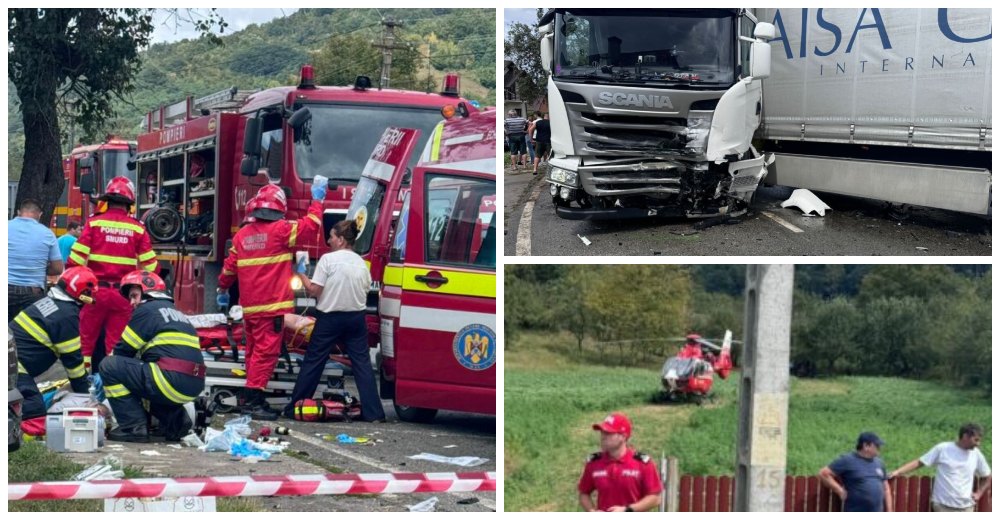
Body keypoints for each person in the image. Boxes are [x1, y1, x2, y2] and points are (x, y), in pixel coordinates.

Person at [217, 182, 324, 420]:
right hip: (272, 307)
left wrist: (222, 289)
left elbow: (228, 270)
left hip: (250, 309)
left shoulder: (241, 236)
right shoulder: (281, 230)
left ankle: (250, 397)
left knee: (253, 352)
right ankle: (253, 401)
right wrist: (317, 201)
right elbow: (311, 226)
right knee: (266, 354)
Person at [284, 221, 385, 422]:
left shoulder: (327, 260)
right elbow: (364, 290)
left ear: (340, 240)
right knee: (362, 365)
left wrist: (301, 272)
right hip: (356, 318)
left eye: (331, 236)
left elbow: (314, 290)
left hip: (330, 318)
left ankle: (297, 405)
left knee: (314, 361)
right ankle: (374, 413)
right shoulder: (361, 263)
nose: (328, 240)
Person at [100, 271, 205, 442]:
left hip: (168, 379)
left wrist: (102, 389)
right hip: (194, 384)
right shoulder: (178, 313)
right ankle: (177, 423)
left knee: (109, 366)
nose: (132, 302)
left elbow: (122, 351)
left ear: (147, 290)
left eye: (134, 295)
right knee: (148, 376)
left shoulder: (146, 309)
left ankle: (133, 428)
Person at [68, 177, 157, 371]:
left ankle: (82, 384)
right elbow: (151, 268)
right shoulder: (137, 228)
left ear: (107, 200)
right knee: (116, 344)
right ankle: (110, 382)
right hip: (123, 296)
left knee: (85, 342)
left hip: (94, 294)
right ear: (129, 204)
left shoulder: (93, 224)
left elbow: (74, 261)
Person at [10, 266, 97, 438]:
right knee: (33, 409)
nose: (92, 297)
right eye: (90, 293)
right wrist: (84, 393)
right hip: (13, 366)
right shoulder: (66, 315)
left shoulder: (51, 303)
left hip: (12, 362)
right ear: (83, 292)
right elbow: (72, 360)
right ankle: (26, 443)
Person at [888, 423, 991, 512]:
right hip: (943, 506)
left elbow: (988, 475)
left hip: (966, 507)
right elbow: (920, 462)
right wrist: (898, 472)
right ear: (965, 436)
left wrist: (979, 493)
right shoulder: (943, 448)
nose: (978, 444)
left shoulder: (976, 454)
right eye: (976, 440)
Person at [578, 412, 662, 512]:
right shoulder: (594, 463)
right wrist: (593, 512)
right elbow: (584, 493)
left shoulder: (642, 463)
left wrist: (627, 510)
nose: (603, 436)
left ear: (623, 436)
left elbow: (655, 498)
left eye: (608, 433)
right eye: (602, 432)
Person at [8, 199, 64, 321]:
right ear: (39, 214)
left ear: (19, 212)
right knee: (29, 334)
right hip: (32, 293)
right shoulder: (47, 234)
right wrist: (38, 269)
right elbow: (58, 268)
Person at [818, 432, 893, 512]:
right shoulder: (847, 460)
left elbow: (886, 488)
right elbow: (823, 474)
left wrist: (890, 511)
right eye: (877, 445)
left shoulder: (879, 463)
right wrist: (839, 490)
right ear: (866, 446)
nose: (879, 448)